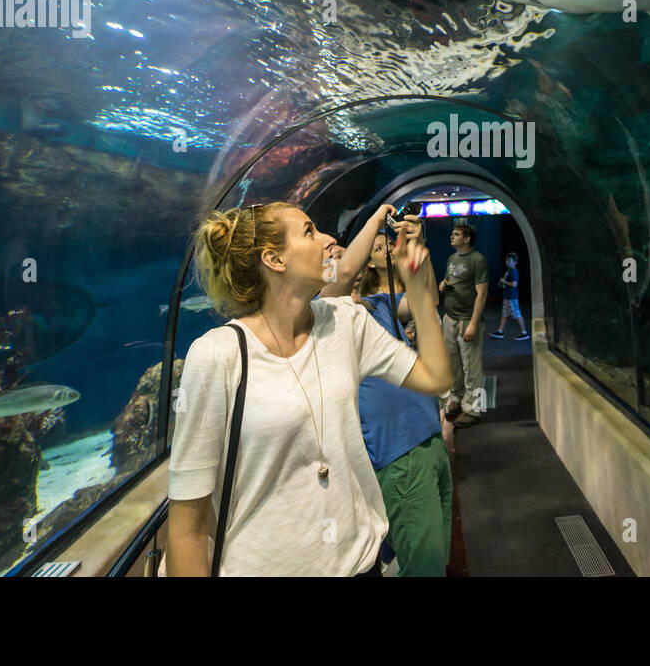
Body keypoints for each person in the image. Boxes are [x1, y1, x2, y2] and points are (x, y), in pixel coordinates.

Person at [165, 201, 451, 576]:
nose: (329, 240)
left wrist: (416, 285)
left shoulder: (347, 322)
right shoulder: (216, 356)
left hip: (360, 566)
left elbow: (436, 377)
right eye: (310, 231)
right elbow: (188, 523)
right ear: (274, 259)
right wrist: (378, 218)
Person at [351, 233, 452, 576]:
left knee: (434, 553)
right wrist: (377, 214)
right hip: (397, 450)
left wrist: (417, 256)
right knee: (424, 564)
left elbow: (426, 300)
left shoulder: (382, 302)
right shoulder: (342, 311)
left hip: (427, 436)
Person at [438, 222, 488, 427]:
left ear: (466, 239)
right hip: (450, 319)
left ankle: (476, 410)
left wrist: (473, 324)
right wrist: (442, 286)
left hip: (467, 321)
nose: (452, 236)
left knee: (472, 367)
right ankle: (456, 399)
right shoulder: (452, 258)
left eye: (456, 234)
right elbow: (446, 280)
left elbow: (482, 294)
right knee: (453, 364)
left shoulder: (478, 260)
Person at [490, 252, 529, 340]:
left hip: (512, 297)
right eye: (507, 260)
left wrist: (504, 282)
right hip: (507, 297)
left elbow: (514, 284)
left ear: (515, 262)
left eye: (509, 260)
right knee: (504, 315)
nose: (507, 262)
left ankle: (524, 333)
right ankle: (500, 332)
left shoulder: (513, 271)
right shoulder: (509, 270)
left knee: (517, 314)